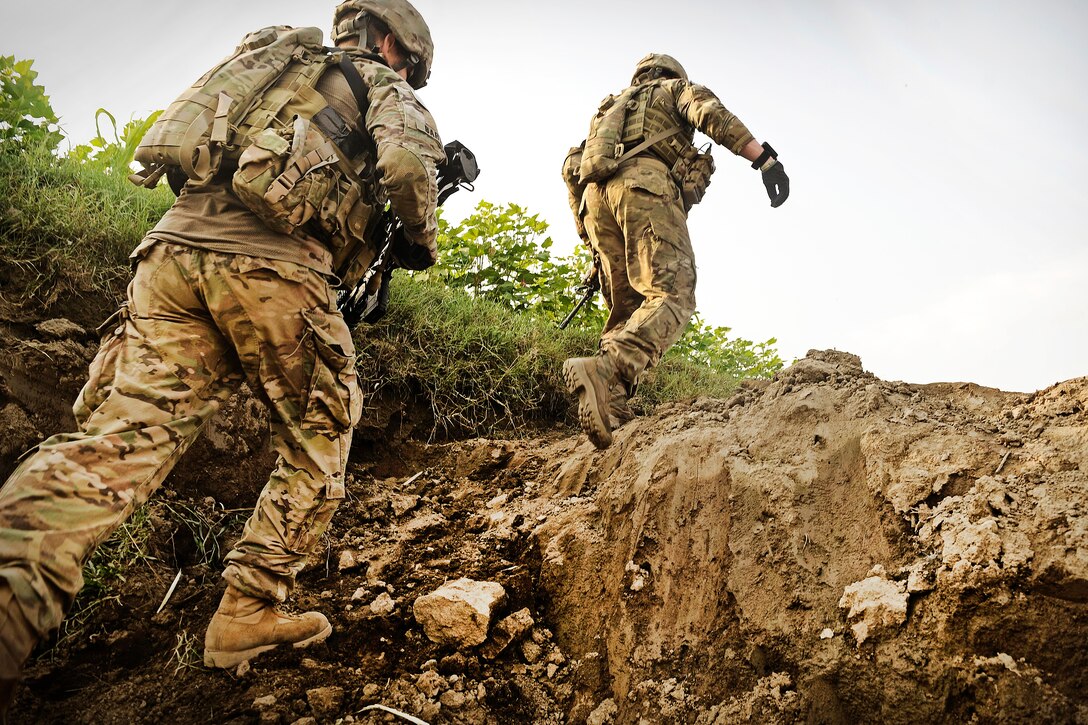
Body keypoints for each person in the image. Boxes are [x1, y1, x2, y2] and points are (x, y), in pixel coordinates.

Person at [0, 0, 443, 708]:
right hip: (270, 268)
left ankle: (11, 591)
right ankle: (248, 609)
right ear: (391, 43)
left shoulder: (275, 69)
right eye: (414, 65)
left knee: (120, 445)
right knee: (320, 436)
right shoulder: (382, 86)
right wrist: (421, 237)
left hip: (170, 255)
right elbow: (405, 166)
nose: (412, 76)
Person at [562, 53, 789, 449]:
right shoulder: (673, 90)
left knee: (629, 308)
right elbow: (712, 115)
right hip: (645, 184)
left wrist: (591, 246)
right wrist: (765, 160)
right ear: (671, 74)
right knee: (674, 293)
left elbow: (572, 169)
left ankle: (611, 408)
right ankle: (606, 369)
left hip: (595, 202)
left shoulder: (608, 111)